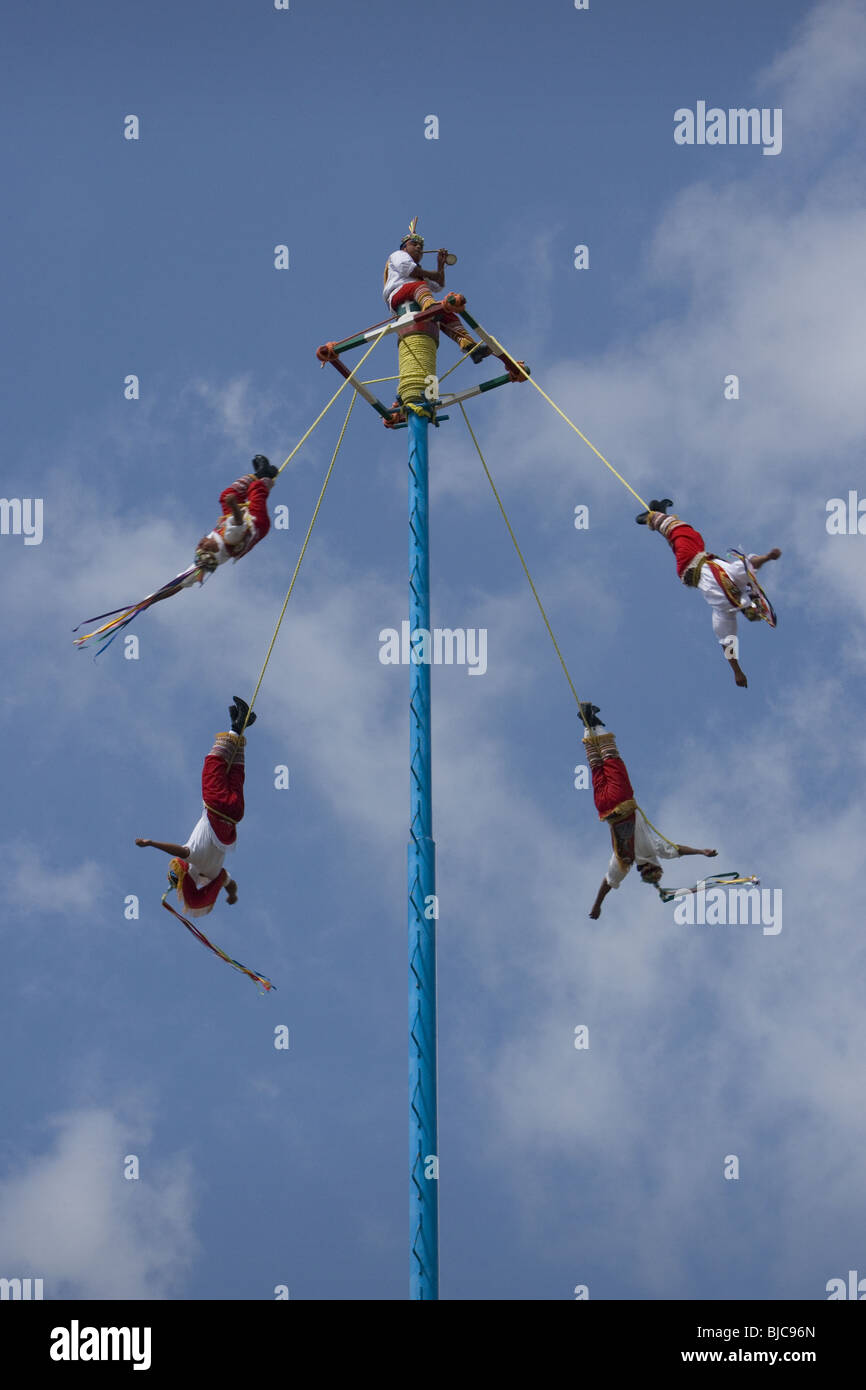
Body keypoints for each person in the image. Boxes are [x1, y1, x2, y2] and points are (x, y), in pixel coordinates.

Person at [579, 704, 718, 918]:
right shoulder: (623, 863)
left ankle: (592, 723)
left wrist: (701, 851)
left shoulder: (650, 850)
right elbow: (608, 882)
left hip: (621, 801)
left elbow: (677, 850)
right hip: (604, 809)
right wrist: (597, 906)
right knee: (597, 766)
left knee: (610, 759)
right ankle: (589, 722)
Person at [636, 498, 781, 687]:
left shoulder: (726, 614)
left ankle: (653, 516)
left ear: (746, 613)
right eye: (755, 608)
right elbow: (749, 565)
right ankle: (659, 514)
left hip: (690, 567)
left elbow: (728, 644)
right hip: (700, 555)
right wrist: (768, 557)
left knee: (682, 534)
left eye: (752, 612)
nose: (751, 609)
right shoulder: (740, 581)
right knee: (684, 536)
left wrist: (737, 672)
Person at [135, 697, 255, 918]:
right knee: (214, 764)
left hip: (235, 815)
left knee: (235, 773)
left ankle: (239, 726)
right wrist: (151, 843)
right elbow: (180, 851)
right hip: (217, 806)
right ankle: (236, 726)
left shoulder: (214, 873)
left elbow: (230, 884)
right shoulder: (194, 861)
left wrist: (233, 896)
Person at [382, 220, 491, 361]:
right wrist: (432, 274)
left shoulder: (419, 274)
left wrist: (440, 265)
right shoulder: (398, 255)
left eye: (420, 246)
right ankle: (431, 308)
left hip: (416, 296)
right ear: (404, 247)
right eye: (414, 244)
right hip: (398, 294)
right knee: (420, 287)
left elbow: (438, 285)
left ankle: (470, 346)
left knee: (446, 312)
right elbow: (407, 269)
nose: (418, 247)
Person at [193, 455, 279, 575]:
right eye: (203, 546)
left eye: (199, 547)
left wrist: (157, 594)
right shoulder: (229, 538)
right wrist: (233, 504)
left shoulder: (206, 555)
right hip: (256, 523)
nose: (200, 543)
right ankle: (266, 477)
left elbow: (179, 583)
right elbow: (238, 521)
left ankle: (260, 473)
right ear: (212, 549)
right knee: (256, 489)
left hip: (237, 521)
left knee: (226, 495)